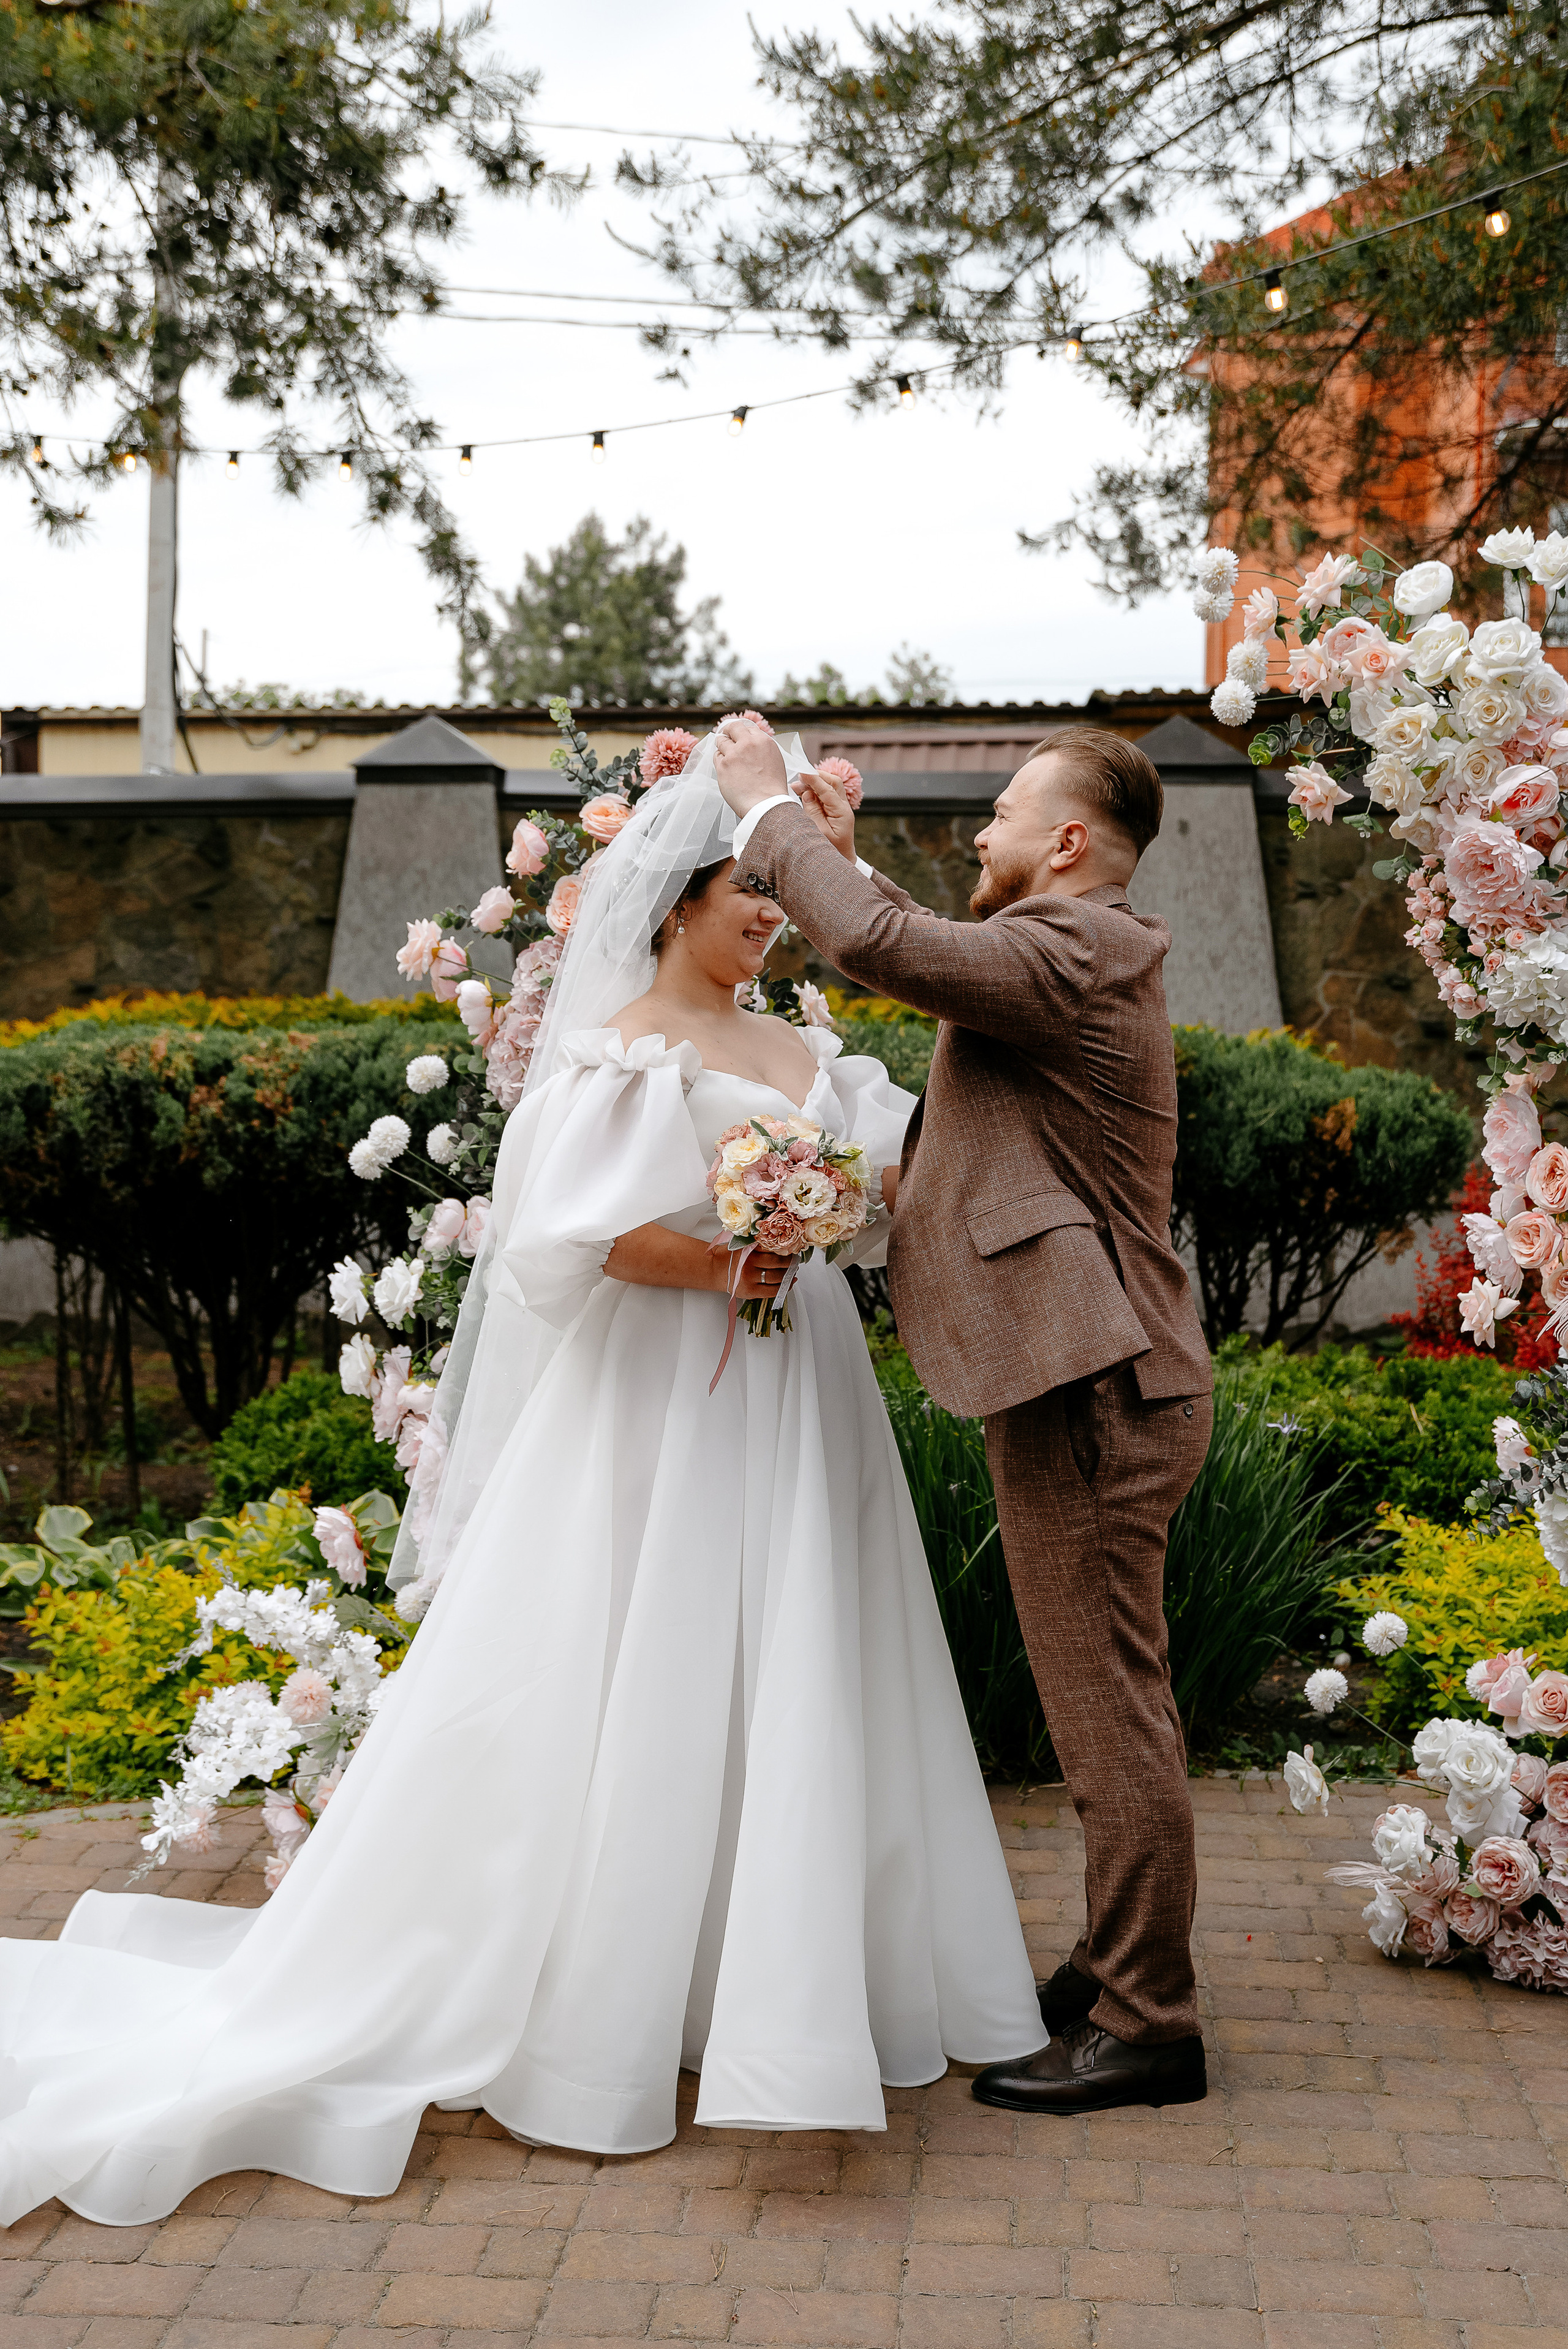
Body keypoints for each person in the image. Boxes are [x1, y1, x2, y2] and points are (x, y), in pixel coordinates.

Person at [0, 738, 1042, 2230]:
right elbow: (579, 1239)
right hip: (661, 1405)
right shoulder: (626, 1048)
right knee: (645, 1663)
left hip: (795, 1391)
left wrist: (830, 1220)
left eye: (774, 891)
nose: (766, 914)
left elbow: (875, 1209)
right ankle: (603, 2005)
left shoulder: (811, 1059)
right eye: (744, 891)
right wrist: (736, 1251)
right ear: (672, 903)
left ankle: (773, 1988)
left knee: (803, 1661)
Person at [714, 717, 1214, 2117]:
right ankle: (1116, 1964)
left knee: (1107, 1717)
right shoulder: (1055, 959)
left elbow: (898, 949)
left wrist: (769, 819)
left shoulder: (1079, 947)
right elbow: (920, 947)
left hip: (1095, 1388)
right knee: (1105, 1705)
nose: (980, 834)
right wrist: (841, 864)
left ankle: (1146, 2023)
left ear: (1065, 843)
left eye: (1000, 813)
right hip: (1083, 1376)